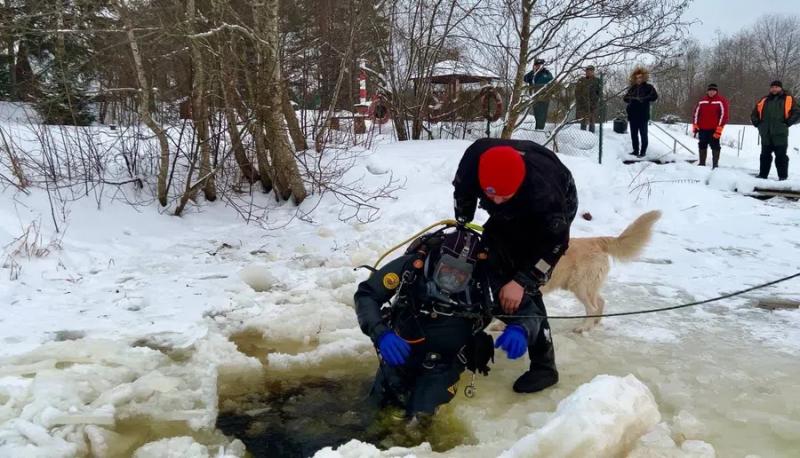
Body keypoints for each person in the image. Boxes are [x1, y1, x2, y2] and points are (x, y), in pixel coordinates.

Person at [452, 138, 578, 393]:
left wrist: (522, 281)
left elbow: (555, 246)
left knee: (519, 274)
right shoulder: (472, 163)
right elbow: (463, 195)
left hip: (553, 204)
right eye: (491, 194)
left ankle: (544, 367)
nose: (497, 202)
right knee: (487, 254)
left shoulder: (546, 197)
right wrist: (463, 224)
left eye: (504, 196)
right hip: (513, 198)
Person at [354, 227, 495, 421]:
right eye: (447, 269)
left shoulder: (484, 279)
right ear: (438, 259)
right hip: (400, 354)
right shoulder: (412, 268)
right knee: (374, 412)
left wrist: (520, 329)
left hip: (445, 365)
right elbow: (367, 295)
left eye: (460, 274)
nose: (452, 278)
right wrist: (381, 333)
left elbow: (522, 302)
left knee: (418, 421)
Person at [751, 80, 800, 181]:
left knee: (781, 156)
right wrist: (758, 124)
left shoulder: (788, 99)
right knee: (764, 156)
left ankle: (782, 177)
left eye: (776, 87)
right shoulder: (764, 99)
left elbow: (797, 112)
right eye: (772, 87)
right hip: (766, 133)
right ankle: (762, 175)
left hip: (780, 133)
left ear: (780, 88)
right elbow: (754, 113)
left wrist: (787, 123)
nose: (774, 89)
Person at [623, 67, 658, 157]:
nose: (638, 79)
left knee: (643, 134)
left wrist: (644, 99)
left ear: (644, 78)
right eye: (637, 77)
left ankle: (643, 152)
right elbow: (625, 98)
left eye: (640, 77)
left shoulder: (649, 87)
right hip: (632, 115)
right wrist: (632, 99)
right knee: (634, 135)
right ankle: (635, 150)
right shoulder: (632, 88)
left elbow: (654, 96)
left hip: (643, 116)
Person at [692, 83, 730, 169]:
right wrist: (695, 125)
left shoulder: (721, 101)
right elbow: (696, 113)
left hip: (714, 129)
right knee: (702, 144)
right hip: (702, 128)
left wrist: (719, 128)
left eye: (713, 90)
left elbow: (724, 115)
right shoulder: (702, 101)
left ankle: (715, 164)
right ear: (707, 91)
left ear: (716, 91)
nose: (711, 92)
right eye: (710, 90)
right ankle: (702, 163)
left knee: (715, 146)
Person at [524, 58, 554, 130]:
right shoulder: (532, 73)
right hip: (534, 98)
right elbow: (525, 79)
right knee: (537, 115)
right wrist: (532, 73)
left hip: (544, 98)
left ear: (543, 66)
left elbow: (551, 82)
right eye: (536, 65)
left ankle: (540, 129)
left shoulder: (547, 73)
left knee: (542, 115)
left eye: (540, 65)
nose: (538, 66)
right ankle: (538, 128)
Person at [574, 65, 602, 133]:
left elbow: (600, 92)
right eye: (587, 71)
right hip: (583, 104)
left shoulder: (597, 80)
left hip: (593, 104)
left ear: (593, 71)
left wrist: (595, 99)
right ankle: (582, 134)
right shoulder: (581, 80)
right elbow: (577, 92)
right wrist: (580, 100)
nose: (589, 72)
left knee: (592, 119)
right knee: (583, 119)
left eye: (590, 71)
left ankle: (591, 134)